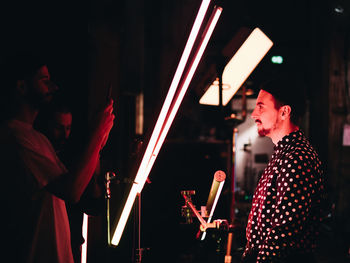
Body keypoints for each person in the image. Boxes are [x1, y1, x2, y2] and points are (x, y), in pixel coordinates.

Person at [0, 52, 114, 263]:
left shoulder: (37, 138)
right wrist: (97, 133)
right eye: (44, 81)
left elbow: (78, 186)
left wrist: (99, 138)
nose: (54, 87)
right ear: (21, 87)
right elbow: (72, 191)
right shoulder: (16, 138)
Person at [241, 76, 326, 263]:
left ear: (284, 112)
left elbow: (283, 233)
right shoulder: (284, 153)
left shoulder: (298, 158)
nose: (254, 114)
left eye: (261, 106)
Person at [35, 98, 105, 263]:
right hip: (42, 247)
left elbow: (93, 207)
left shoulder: (72, 159)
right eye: (59, 128)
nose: (65, 134)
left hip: (70, 247)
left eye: (68, 128)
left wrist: (94, 169)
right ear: (46, 125)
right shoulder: (39, 154)